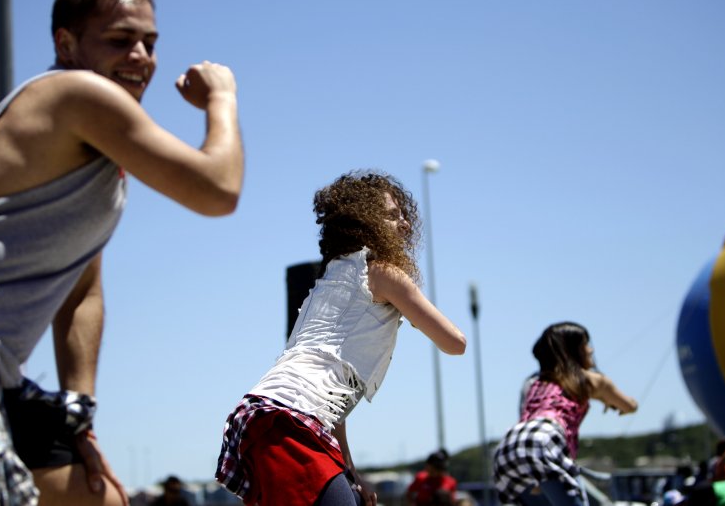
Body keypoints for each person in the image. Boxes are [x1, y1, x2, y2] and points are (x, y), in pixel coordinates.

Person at [0, 0, 244, 504]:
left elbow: (81, 292)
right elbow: (217, 189)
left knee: (98, 499)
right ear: (65, 42)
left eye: (150, 43)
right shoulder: (76, 96)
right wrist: (221, 99)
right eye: (120, 40)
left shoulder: (98, 164)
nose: (140, 55)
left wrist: (78, 414)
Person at [215, 171, 467, 506]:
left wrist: (350, 474)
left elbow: (330, 405)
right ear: (366, 222)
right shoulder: (383, 273)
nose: (405, 225)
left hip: (265, 416)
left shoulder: (327, 284)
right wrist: (414, 311)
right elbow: (455, 343)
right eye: (393, 216)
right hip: (291, 422)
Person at [493, 322, 638, 506]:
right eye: (585, 344)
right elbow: (630, 405)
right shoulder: (589, 380)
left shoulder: (532, 382)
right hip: (545, 440)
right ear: (573, 351)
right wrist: (610, 401)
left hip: (510, 445)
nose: (591, 350)